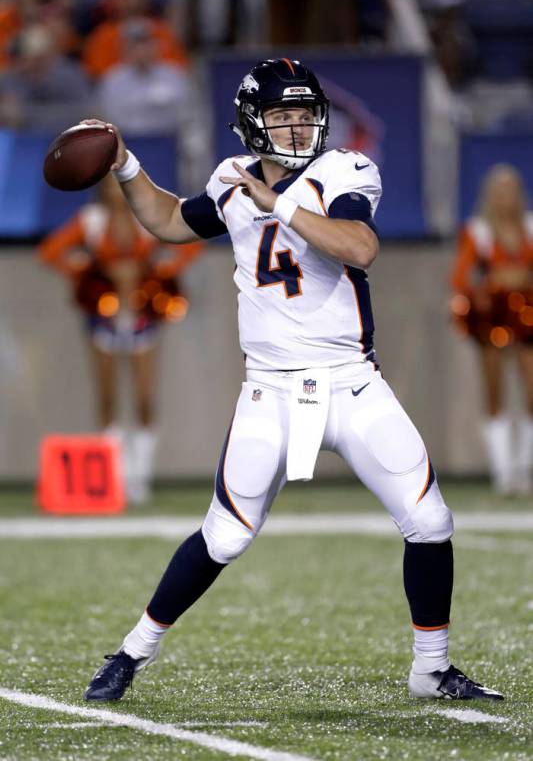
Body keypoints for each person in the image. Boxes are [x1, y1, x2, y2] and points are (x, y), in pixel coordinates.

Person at [83, 58, 503, 702]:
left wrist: (278, 204)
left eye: (307, 114)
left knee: (431, 522)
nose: (298, 126)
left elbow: (359, 247)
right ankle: (130, 654)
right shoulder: (231, 179)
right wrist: (126, 165)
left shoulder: (346, 170)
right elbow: (170, 221)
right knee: (225, 535)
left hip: (350, 381)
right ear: (253, 121)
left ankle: (431, 668)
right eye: (282, 115)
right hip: (272, 388)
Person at [38, 173, 203, 503]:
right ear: (101, 190)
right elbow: (50, 252)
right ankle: (112, 475)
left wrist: (156, 272)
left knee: (144, 397)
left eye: (119, 185)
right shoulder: (92, 221)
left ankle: (139, 477)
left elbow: (191, 244)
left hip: (142, 313)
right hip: (105, 315)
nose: (115, 191)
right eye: (109, 186)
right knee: (107, 396)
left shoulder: (147, 217)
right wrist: (87, 270)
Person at [450, 164, 533, 495]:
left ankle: (524, 468)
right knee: (494, 390)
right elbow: (459, 278)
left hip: (528, 314)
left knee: (530, 390)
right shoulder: (478, 231)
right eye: (498, 190)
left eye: (510, 189)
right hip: (494, 317)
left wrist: (522, 279)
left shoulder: (530, 227)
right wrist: (492, 282)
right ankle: (503, 471)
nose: (504, 196)